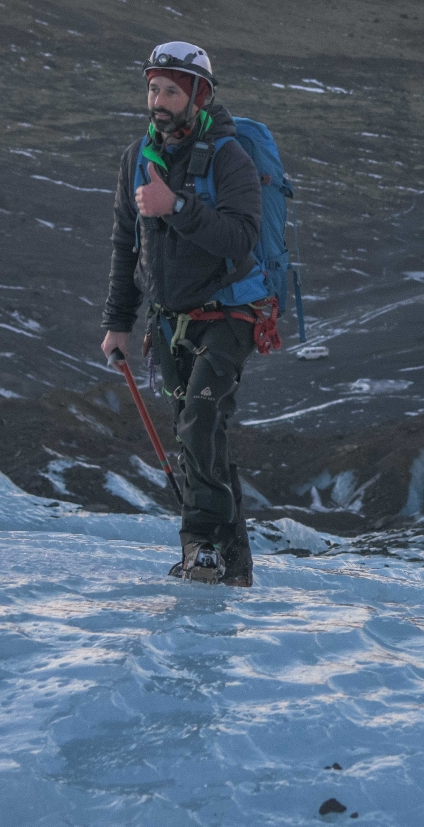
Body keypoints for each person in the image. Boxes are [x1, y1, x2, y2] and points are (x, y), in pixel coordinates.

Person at [100, 41, 264, 586]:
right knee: (200, 438)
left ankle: (202, 551)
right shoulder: (136, 159)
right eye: (153, 87)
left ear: (199, 95)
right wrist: (117, 323)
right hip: (168, 323)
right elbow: (127, 245)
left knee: (199, 427)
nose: (159, 100)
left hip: (230, 315)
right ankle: (233, 566)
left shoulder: (228, 157)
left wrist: (179, 208)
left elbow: (242, 239)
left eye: (172, 90)